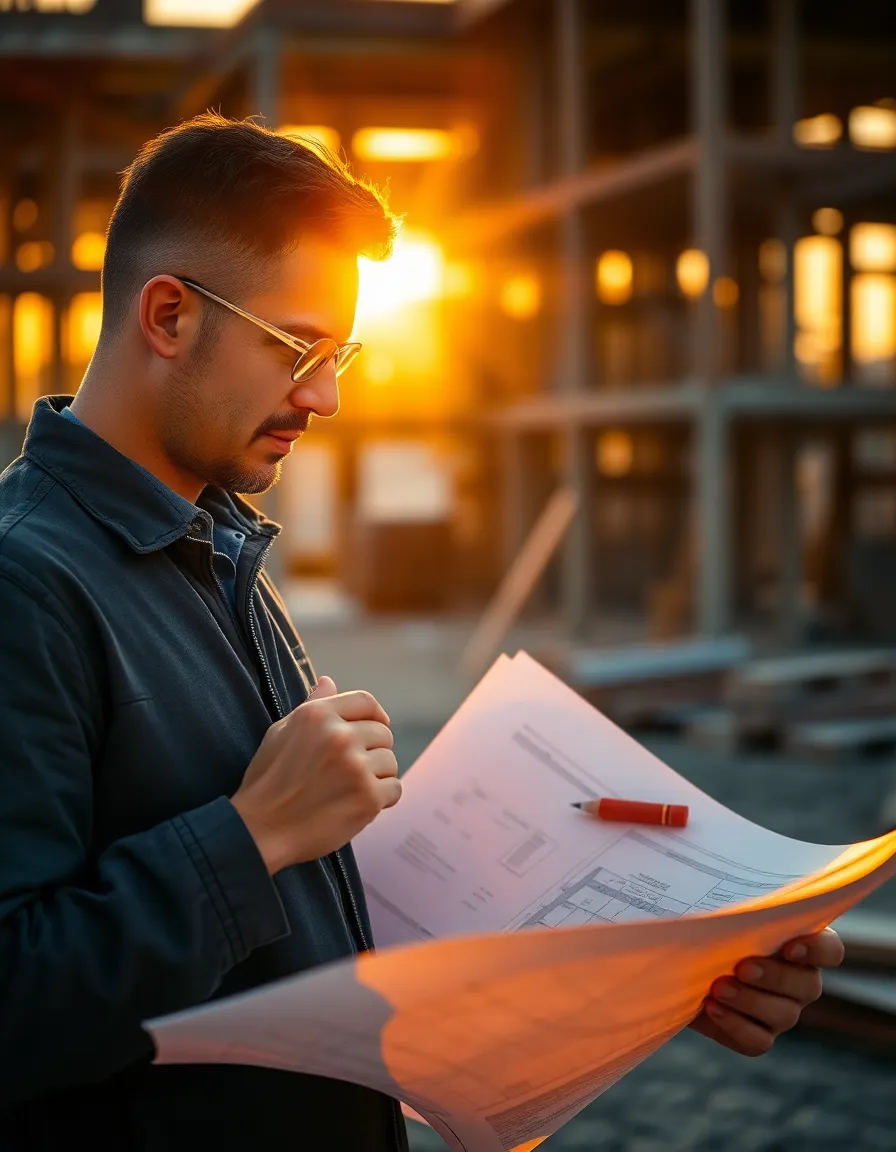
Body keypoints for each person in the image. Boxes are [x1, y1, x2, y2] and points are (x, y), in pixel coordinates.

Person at [0, 114, 843, 1151]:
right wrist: (251, 834)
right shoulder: (24, 583)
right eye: (297, 348)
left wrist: (662, 975)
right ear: (168, 316)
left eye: (341, 351)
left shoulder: (213, 544)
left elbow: (283, 943)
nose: (327, 394)